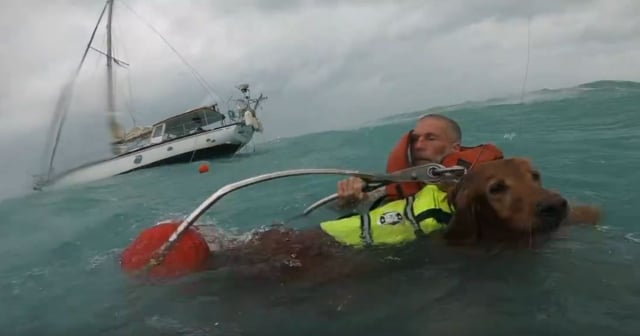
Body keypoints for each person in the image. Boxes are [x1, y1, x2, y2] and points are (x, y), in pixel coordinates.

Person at [336, 113, 503, 209]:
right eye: (415, 139)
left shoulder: (484, 182)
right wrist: (349, 200)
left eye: (431, 138)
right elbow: (342, 210)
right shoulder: (390, 188)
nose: (418, 145)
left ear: (455, 148)